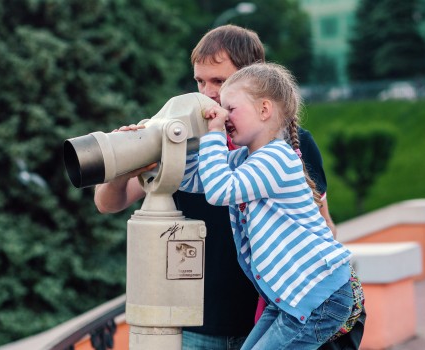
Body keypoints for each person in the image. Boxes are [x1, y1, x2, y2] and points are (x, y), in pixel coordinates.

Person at [94, 25, 365, 350]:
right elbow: (109, 202)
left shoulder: (287, 147)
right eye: (200, 81)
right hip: (197, 321)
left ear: (251, 81)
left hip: (272, 309)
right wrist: (131, 154)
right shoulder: (188, 139)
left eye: (219, 82)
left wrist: (212, 137)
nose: (207, 92)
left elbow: (321, 224)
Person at [180, 62, 364, 350]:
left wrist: (214, 133)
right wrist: (168, 143)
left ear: (265, 110)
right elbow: (194, 179)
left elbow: (219, 191)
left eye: (232, 108)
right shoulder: (244, 159)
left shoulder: (277, 158)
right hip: (291, 298)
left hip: (320, 296)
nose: (224, 115)